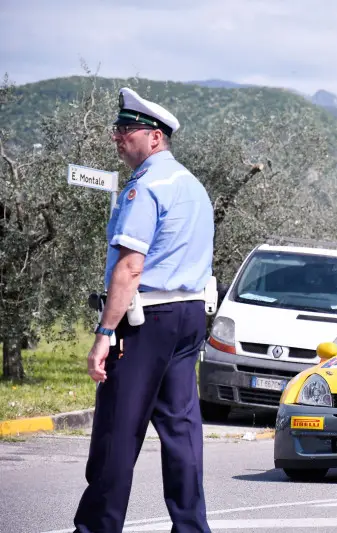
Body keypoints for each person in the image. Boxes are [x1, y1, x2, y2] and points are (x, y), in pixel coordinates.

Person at [74, 88, 214, 533]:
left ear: (154, 138)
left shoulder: (146, 187)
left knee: (118, 429)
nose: (117, 137)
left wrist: (104, 332)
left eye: (125, 130)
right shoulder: (193, 185)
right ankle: (192, 528)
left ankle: (97, 528)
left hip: (146, 319)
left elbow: (131, 267)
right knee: (182, 430)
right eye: (116, 129)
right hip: (190, 314)